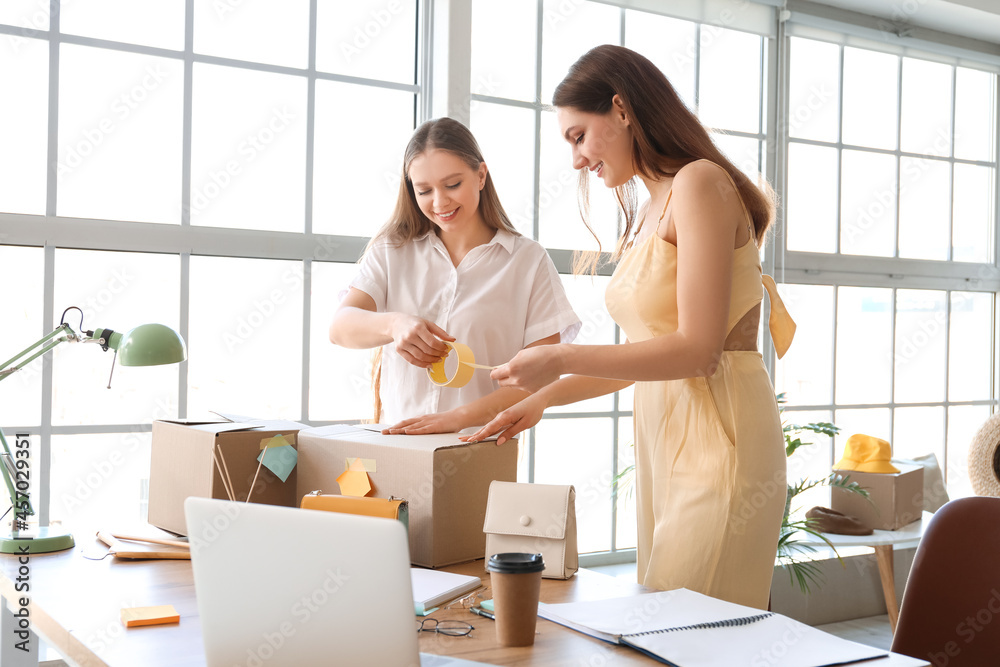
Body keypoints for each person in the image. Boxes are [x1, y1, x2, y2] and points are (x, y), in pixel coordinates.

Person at [465, 45, 796, 610]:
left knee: (689, 627)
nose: (575, 160)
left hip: (722, 434)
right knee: (666, 625)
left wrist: (562, 360)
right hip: (664, 435)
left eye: (578, 136)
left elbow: (696, 353)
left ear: (621, 109)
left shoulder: (699, 184)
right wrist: (543, 399)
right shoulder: (649, 209)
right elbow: (648, 355)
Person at [329, 117, 580, 433]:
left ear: (480, 175)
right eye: (424, 190)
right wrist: (394, 324)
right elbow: (340, 328)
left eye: (452, 185)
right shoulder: (393, 250)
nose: (439, 202)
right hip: (398, 443)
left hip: (480, 448)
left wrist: (460, 419)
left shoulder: (527, 261)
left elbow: (542, 376)